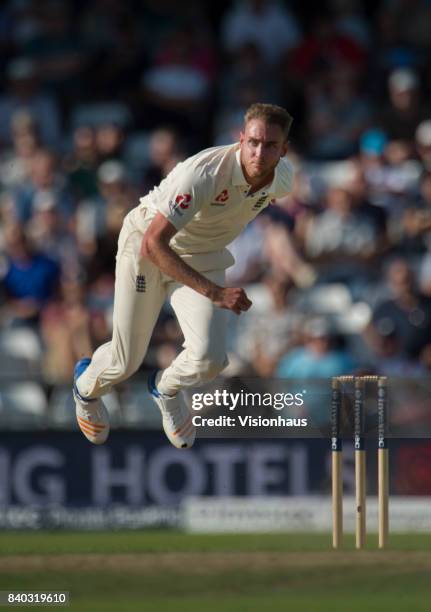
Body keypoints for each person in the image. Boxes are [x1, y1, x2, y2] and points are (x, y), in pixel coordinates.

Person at [72, 103, 294, 448]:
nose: (258, 152)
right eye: (253, 142)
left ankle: (166, 388)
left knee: (210, 360)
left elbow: (268, 203)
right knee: (125, 360)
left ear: (284, 150)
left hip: (203, 254)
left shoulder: (283, 177)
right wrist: (216, 293)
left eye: (269, 146)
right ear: (240, 139)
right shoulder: (204, 173)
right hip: (146, 246)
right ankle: (84, 391)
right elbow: (153, 244)